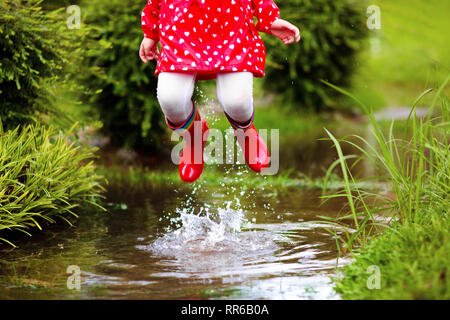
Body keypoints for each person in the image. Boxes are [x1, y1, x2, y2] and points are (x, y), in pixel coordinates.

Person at [139, 0, 300, 183]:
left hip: (231, 26)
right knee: (170, 99)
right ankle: (194, 136)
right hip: (180, 28)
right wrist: (151, 31)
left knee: (237, 101)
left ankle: (245, 132)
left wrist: (269, 17)